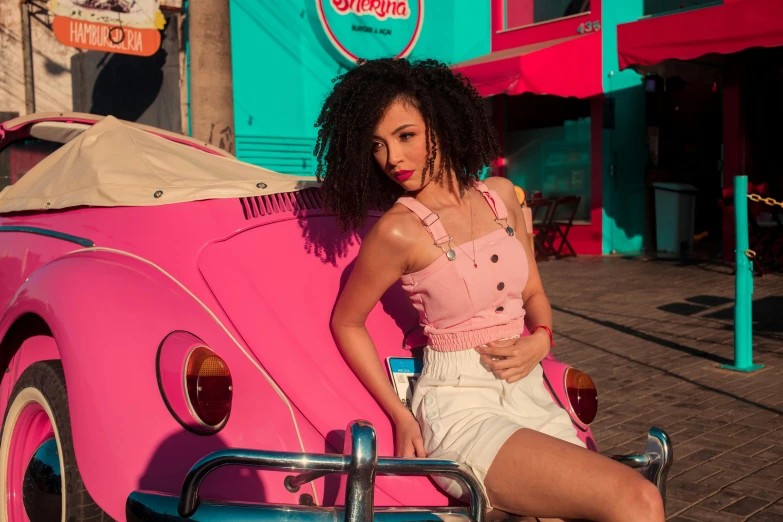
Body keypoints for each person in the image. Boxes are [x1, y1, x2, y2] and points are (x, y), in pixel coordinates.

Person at [319, 58, 664, 522]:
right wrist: (402, 415)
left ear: (441, 123)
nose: (392, 159)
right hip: (461, 406)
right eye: (377, 145)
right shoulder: (398, 231)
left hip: (532, 393)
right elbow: (347, 321)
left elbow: (535, 294)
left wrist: (540, 340)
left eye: (405, 136)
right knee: (636, 497)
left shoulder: (500, 195)